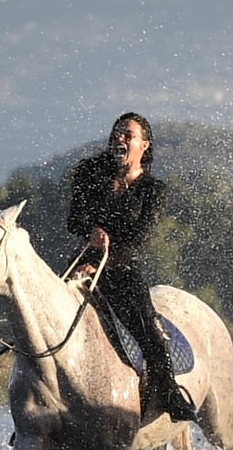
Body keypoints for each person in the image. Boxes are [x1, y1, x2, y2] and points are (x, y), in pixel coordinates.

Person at [66, 112, 197, 422]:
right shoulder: (89, 173)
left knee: (148, 328)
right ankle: (37, 404)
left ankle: (169, 394)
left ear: (144, 144)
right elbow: (74, 219)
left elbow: (138, 238)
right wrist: (91, 233)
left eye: (128, 134)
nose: (119, 138)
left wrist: (104, 262)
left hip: (123, 269)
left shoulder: (153, 190)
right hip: (82, 261)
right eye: (116, 132)